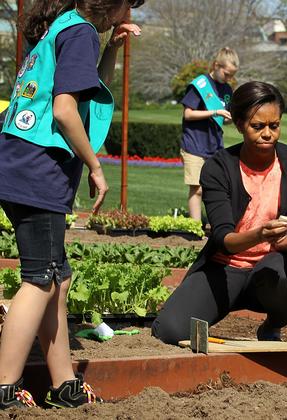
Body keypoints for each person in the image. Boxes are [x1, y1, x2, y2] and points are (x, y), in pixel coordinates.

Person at [0, 0, 144, 409]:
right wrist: (95, 165)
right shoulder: (79, 32)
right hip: (38, 172)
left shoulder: (65, 24)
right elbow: (65, 112)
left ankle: (65, 385)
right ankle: (3, 387)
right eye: (129, 5)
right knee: (40, 278)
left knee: (57, 278)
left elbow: (85, 93)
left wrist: (111, 50)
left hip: (18, 164)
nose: (128, 15)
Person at [152, 81, 287, 345]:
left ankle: (273, 325)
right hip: (224, 268)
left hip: (269, 268)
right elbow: (223, 239)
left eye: (274, 126)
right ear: (240, 124)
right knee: (169, 330)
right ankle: (217, 303)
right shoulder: (218, 168)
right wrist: (260, 234)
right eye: (258, 126)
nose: (268, 133)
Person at [181, 47, 239, 221]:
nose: (229, 78)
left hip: (215, 146)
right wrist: (215, 112)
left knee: (216, 188)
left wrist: (231, 118)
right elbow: (188, 114)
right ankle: (195, 228)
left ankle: (217, 224)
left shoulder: (227, 90)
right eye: (227, 73)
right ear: (216, 65)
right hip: (194, 144)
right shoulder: (200, 85)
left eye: (232, 75)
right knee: (197, 188)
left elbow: (223, 118)